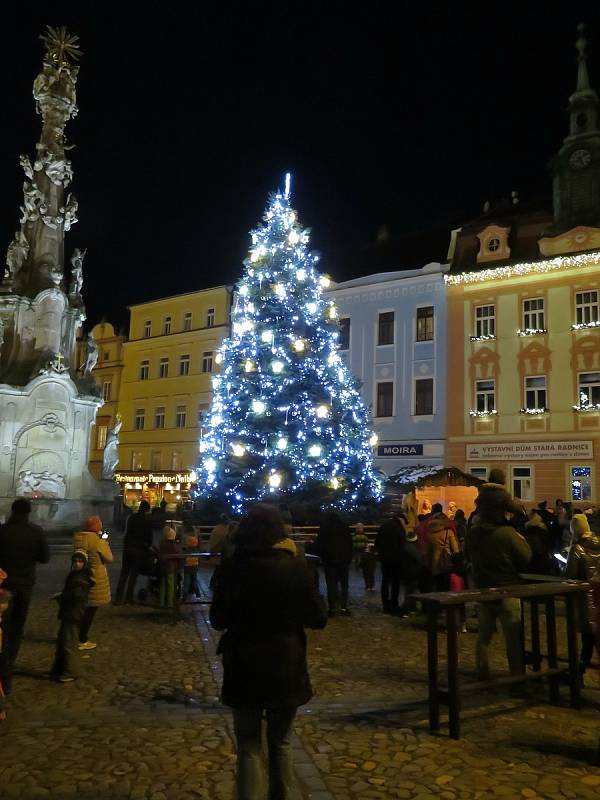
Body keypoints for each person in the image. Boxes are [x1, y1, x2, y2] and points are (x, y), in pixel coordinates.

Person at [210, 504, 327, 800]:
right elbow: (318, 618)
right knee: (282, 742)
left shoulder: (233, 568)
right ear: (279, 532)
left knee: (249, 745)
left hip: (244, 662)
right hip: (285, 661)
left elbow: (218, 619)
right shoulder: (295, 566)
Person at [466, 511, 532, 682]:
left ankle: (482, 671)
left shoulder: (473, 533)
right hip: (507, 588)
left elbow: (468, 556)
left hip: (484, 589)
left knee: (484, 635)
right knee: (513, 639)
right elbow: (526, 556)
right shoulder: (507, 533)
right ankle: (516, 679)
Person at [0, 498, 50, 693]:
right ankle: (9, 665)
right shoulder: (35, 532)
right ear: (29, 512)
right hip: (25, 585)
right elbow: (44, 557)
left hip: (4, 586)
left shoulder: (2, 531)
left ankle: (3, 669)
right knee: (17, 628)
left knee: (3, 627)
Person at [566, 512, 600, 684]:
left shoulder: (577, 548)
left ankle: (578, 674)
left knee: (588, 639)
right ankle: (578, 673)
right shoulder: (599, 543)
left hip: (586, 600)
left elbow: (570, 574)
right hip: (598, 597)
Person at [50, 550, 94, 683]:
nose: (76, 563)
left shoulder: (80, 578)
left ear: (85, 563)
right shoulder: (76, 575)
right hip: (70, 612)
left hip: (73, 613)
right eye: (75, 561)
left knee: (68, 643)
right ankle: (60, 669)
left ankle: (70, 671)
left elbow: (77, 596)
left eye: (80, 561)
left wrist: (62, 596)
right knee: (63, 641)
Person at [72, 516, 114, 649]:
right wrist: (105, 542)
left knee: (81, 608)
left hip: (80, 577)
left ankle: (73, 635)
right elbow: (109, 558)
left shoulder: (79, 538)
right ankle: (82, 639)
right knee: (90, 610)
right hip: (95, 578)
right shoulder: (98, 541)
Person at [314, 511, 353, 616]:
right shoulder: (344, 527)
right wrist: (349, 558)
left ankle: (332, 608)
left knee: (331, 584)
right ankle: (344, 607)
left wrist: (322, 558)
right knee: (344, 585)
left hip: (330, 561)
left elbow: (319, 545)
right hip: (344, 560)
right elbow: (350, 543)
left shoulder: (325, 528)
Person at [115, 499, 153, 604]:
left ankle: (118, 598)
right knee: (133, 575)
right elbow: (149, 538)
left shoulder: (132, 518)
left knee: (124, 574)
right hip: (139, 550)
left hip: (128, 548)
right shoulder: (147, 521)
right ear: (147, 510)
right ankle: (128, 597)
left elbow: (127, 532)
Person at [374, 516, 405, 614]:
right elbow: (402, 544)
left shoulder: (384, 526)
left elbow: (377, 542)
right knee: (395, 583)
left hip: (385, 559)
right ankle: (394, 605)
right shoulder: (399, 528)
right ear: (401, 520)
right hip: (396, 559)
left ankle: (385, 605)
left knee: (385, 581)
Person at [523, 510, 554, 575]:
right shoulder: (543, 528)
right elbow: (547, 542)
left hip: (530, 555)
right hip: (542, 555)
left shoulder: (527, 527)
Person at [159, 527, 182, 608]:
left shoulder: (162, 543)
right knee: (170, 586)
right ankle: (169, 604)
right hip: (171, 568)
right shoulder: (174, 545)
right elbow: (179, 555)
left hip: (162, 567)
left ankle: (161, 603)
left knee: (162, 585)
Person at [182, 526, 200, 598]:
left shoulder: (186, 551)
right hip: (195, 567)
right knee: (194, 580)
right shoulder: (196, 551)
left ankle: (184, 594)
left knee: (186, 581)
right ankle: (198, 593)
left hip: (187, 568)